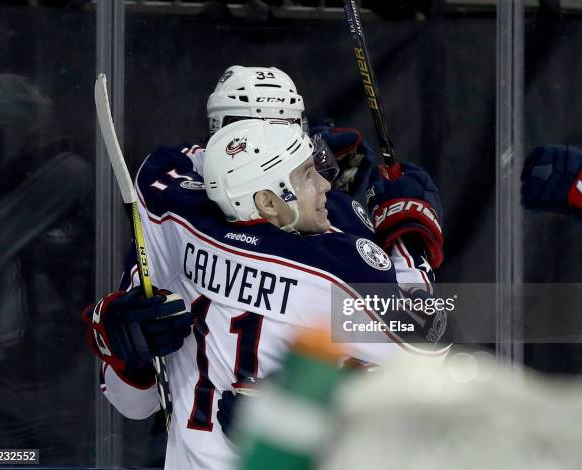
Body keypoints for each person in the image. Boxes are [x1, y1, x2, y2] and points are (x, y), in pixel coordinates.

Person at [83, 115, 449, 469]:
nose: (324, 185)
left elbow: (130, 402)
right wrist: (410, 245)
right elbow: (434, 348)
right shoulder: (336, 267)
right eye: (308, 175)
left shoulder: (182, 226)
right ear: (268, 202)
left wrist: (118, 343)